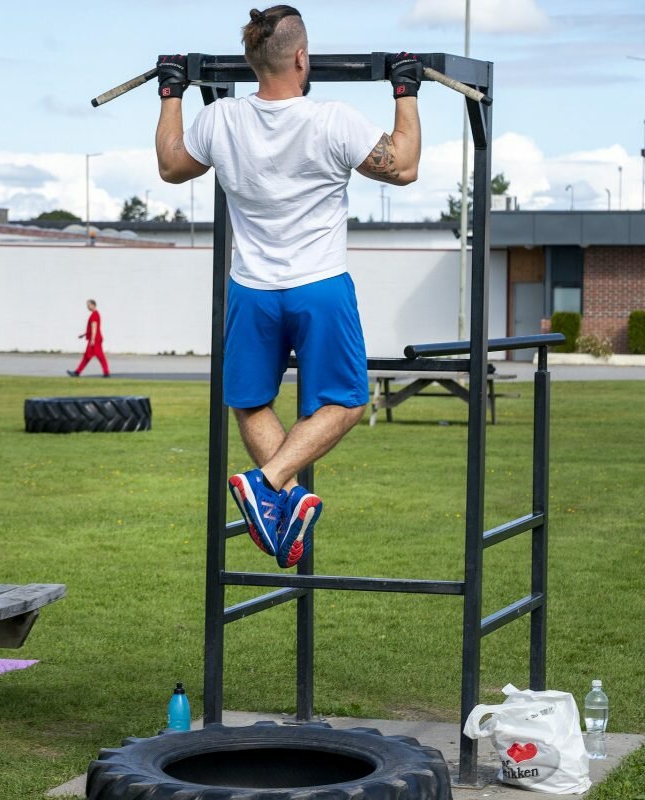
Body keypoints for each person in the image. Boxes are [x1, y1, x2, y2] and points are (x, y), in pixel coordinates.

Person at [153, 6, 422, 568]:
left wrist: (172, 93)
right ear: (302, 58)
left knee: (249, 401)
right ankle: (270, 481)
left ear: (254, 60)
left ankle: (280, 506)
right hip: (318, 285)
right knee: (348, 402)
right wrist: (405, 88)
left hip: (251, 290)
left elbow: (172, 166)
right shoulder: (333, 119)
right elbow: (405, 165)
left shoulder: (221, 120)